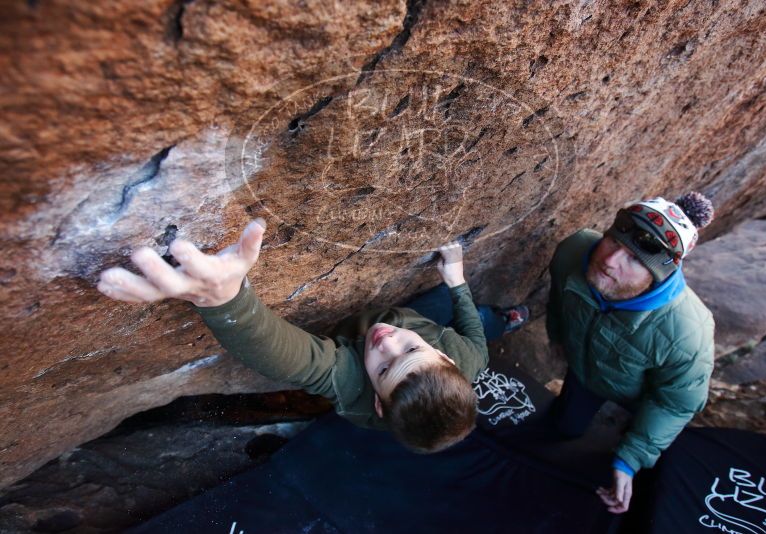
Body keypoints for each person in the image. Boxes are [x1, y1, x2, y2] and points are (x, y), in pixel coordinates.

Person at [97, 219, 527, 453]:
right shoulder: (469, 359)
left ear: (376, 399)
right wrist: (456, 280)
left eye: (385, 367)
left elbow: (292, 358)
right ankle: (506, 319)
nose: (387, 340)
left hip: (355, 337)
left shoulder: (352, 388)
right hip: (422, 319)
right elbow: (470, 331)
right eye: (410, 350)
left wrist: (225, 299)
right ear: (448, 361)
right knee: (486, 323)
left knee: (382, 344)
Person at [545, 192, 715, 514]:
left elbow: (675, 402)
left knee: (638, 439)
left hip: (642, 395)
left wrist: (630, 458)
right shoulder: (574, 252)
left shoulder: (687, 333)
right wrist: (557, 337)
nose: (609, 260)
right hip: (584, 373)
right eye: (613, 241)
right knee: (564, 427)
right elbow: (558, 301)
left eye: (636, 258)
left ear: (659, 274)